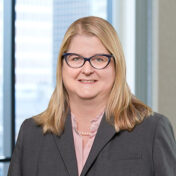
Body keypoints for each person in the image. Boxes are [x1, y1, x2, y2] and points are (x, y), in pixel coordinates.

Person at [8, 16, 176, 176]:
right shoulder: (31, 133)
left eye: (99, 59)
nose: (87, 70)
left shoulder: (152, 130)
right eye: (75, 59)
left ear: (116, 66)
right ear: (62, 66)